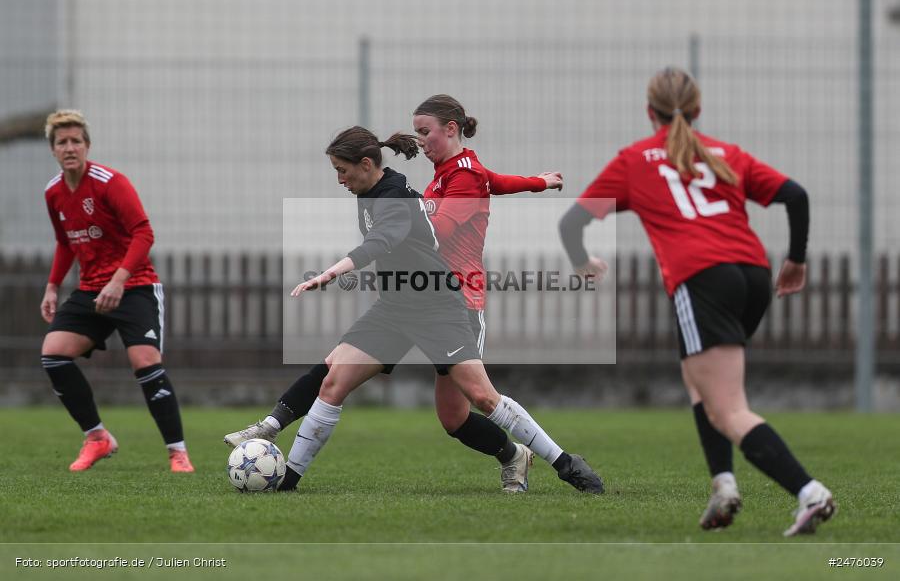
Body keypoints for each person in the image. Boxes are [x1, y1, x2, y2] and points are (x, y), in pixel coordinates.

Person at [227, 100, 576, 495]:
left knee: (466, 409)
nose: (420, 140)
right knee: (333, 376)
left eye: (426, 131)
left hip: (451, 301)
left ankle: (548, 460)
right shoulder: (442, 174)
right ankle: (283, 466)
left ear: (450, 129)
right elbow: (492, 181)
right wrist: (538, 182)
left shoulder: (447, 181)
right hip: (399, 304)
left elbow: (429, 231)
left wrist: (337, 267)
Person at [559, 67, 834, 536]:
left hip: (702, 280)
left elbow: (571, 223)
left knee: (729, 409)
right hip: (752, 276)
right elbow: (797, 196)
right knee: (700, 383)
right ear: (698, 109)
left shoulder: (634, 160)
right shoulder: (725, 153)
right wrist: (797, 261)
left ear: (650, 112)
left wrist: (584, 262)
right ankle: (724, 486)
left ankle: (810, 493)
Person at [40, 110, 193, 473]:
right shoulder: (54, 193)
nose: (70, 147)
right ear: (54, 150)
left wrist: (118, 280)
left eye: (76, 140)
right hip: (92, 289)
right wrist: (51, 287)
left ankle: (177, 453)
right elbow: (65, 242)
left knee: (145, 362)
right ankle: (97, 437)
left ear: (87, 146)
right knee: (53, 354)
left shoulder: (110, 182)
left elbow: (144, 233)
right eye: (62, 142)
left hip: (135, 285)